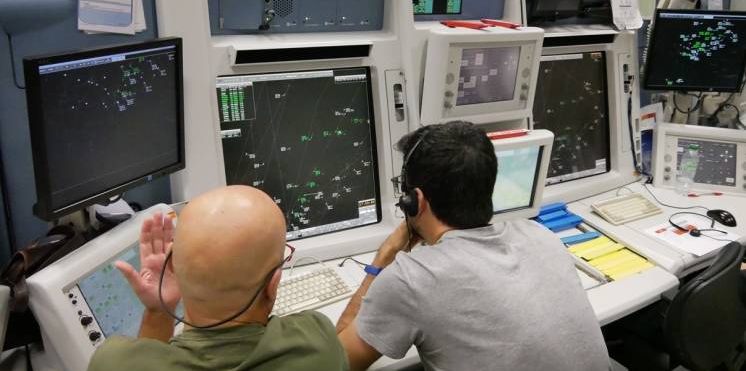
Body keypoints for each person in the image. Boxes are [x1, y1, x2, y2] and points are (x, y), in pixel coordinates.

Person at [336, 121, 610, 371]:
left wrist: (384, 258)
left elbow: (337, 362)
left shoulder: (411, 279)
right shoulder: (540, 235)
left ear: (414, 200)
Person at [88, 185, 348, 371]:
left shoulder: (112, 362)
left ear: (174, 269)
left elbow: (142, 361)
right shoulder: (316, 341)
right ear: (273, 284)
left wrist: (159, 312)